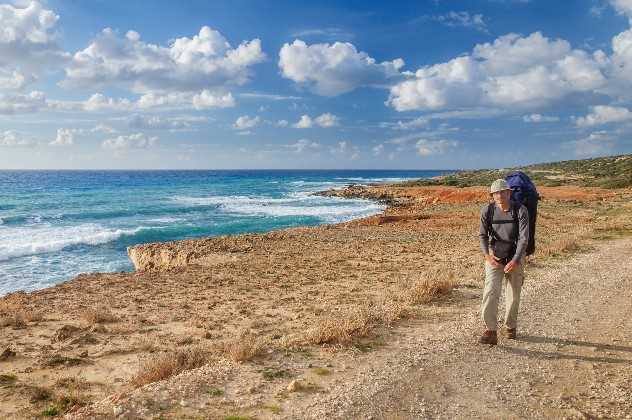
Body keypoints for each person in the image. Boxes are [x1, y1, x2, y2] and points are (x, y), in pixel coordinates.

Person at [479, 179, 529, 345]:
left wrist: (515, 261)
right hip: (495, 257)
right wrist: (487, 256)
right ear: (492, 195)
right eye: (496, 193)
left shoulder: (520, 210)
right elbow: (483, 236)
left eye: (503, 192)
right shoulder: (487, 210)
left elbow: (524, 239)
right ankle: (490, 330)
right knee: (490, 291)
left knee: (513, 295)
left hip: (516, 256)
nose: (499, 195)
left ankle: (510, 326)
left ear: (509, 193)